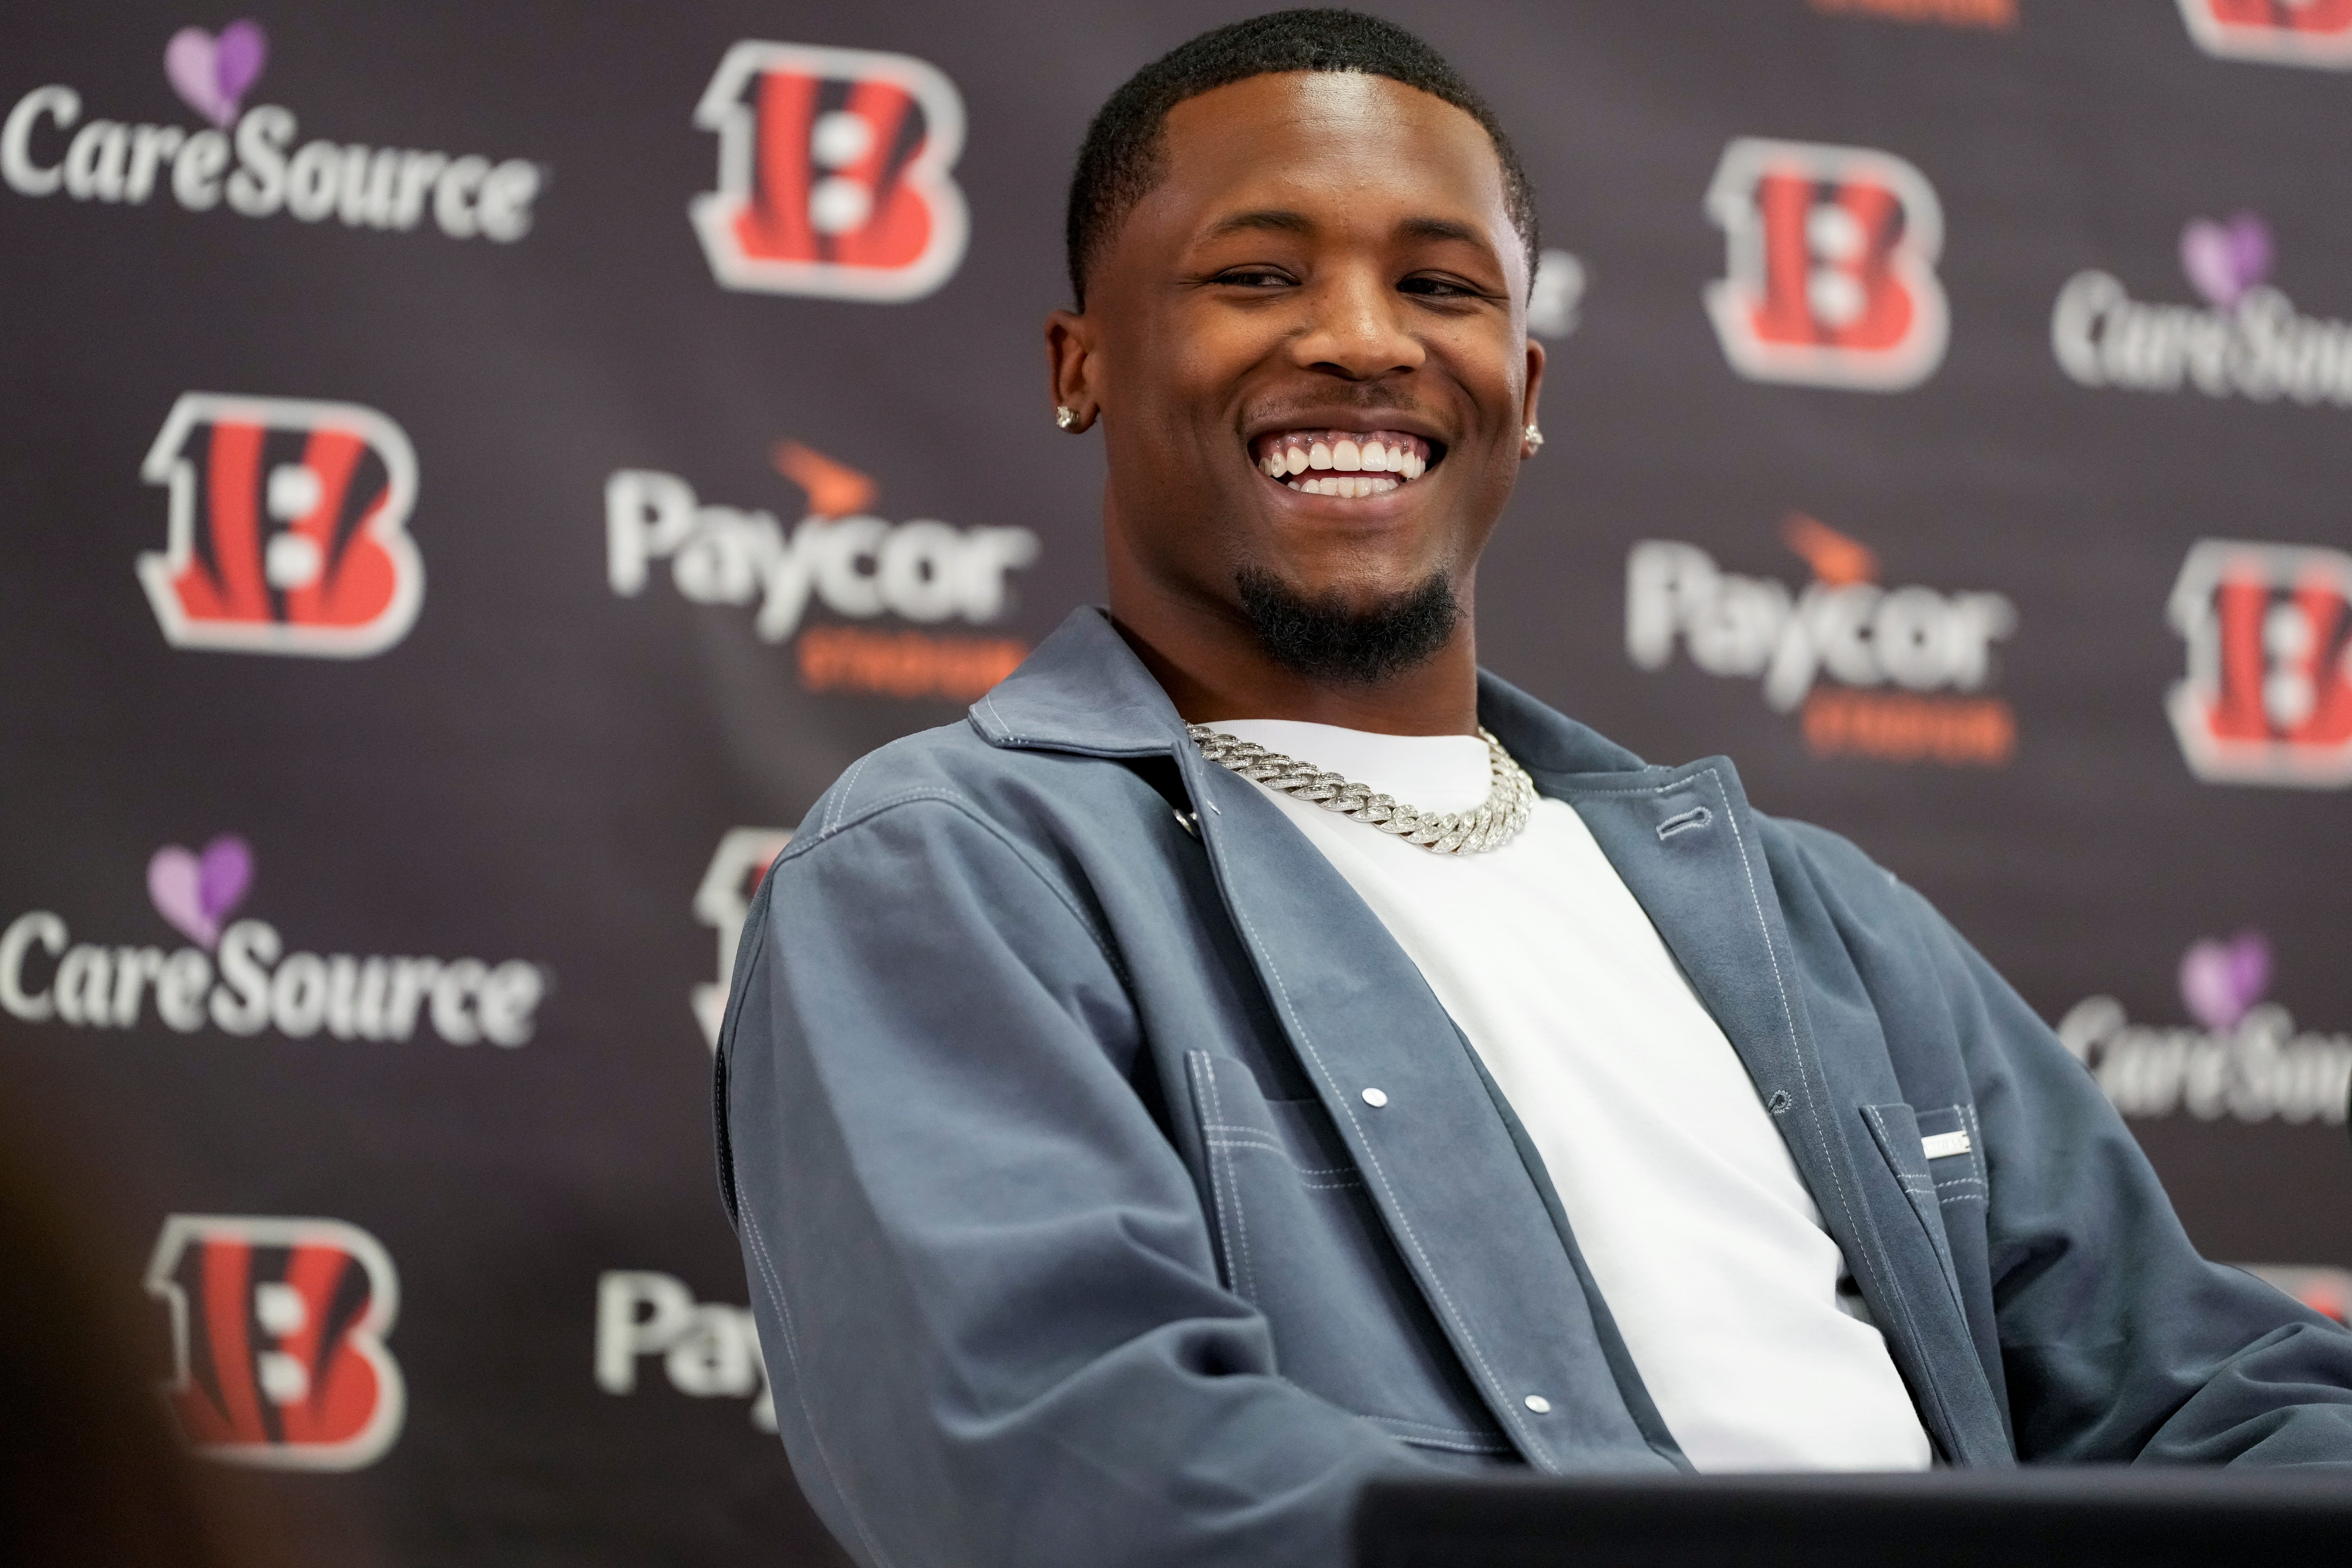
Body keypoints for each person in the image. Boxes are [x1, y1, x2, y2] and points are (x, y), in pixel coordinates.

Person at [713, 11, 2352, 1565]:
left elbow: (2218, 1396)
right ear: (1082, 364)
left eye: (1441, 285)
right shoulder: (947, 874)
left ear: (1527, 388)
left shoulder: (1816, 920)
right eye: (1257, 273)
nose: (1362, 340)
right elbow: (1074, 1466)